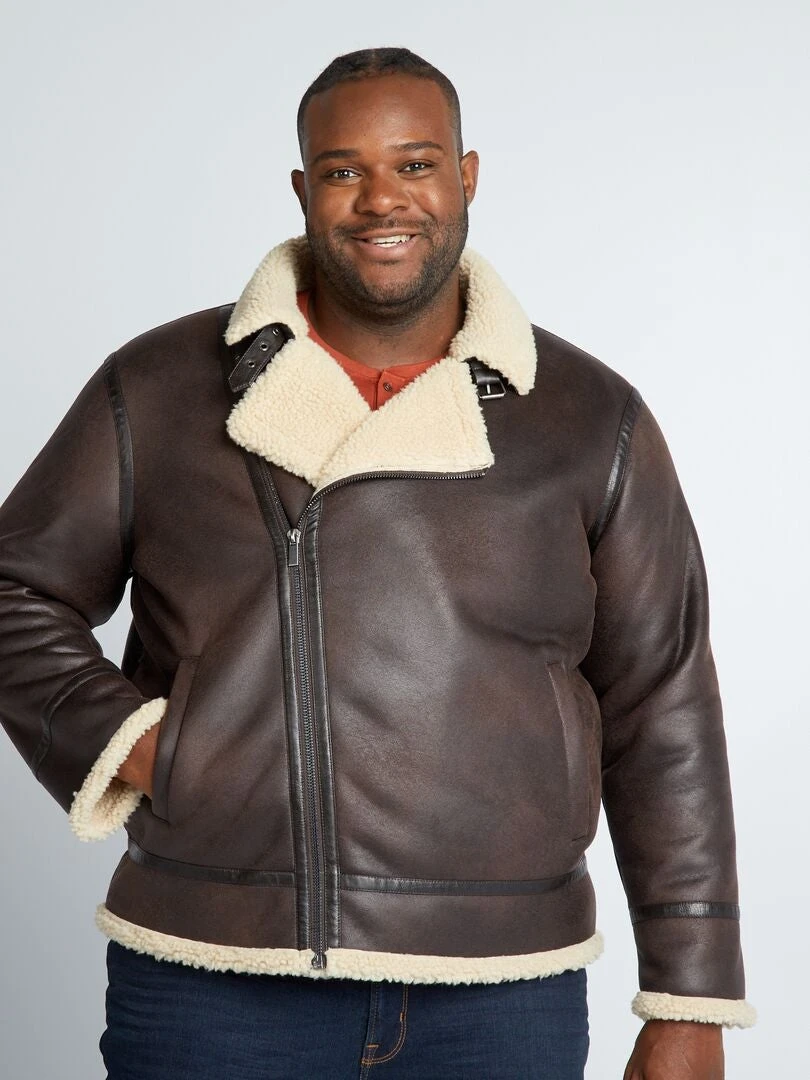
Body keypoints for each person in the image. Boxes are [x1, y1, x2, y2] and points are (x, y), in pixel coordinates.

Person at [0, 46, 754, 1079]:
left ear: (467, 176)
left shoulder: (589, 417)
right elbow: (15, 589)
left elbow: (662, 700)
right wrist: (137, 745)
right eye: (344, 169)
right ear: (303, 190)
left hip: (503, 994)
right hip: (213, 981)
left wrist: (690, 999)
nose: (381, 199)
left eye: (416, 163)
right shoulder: (161, 387)